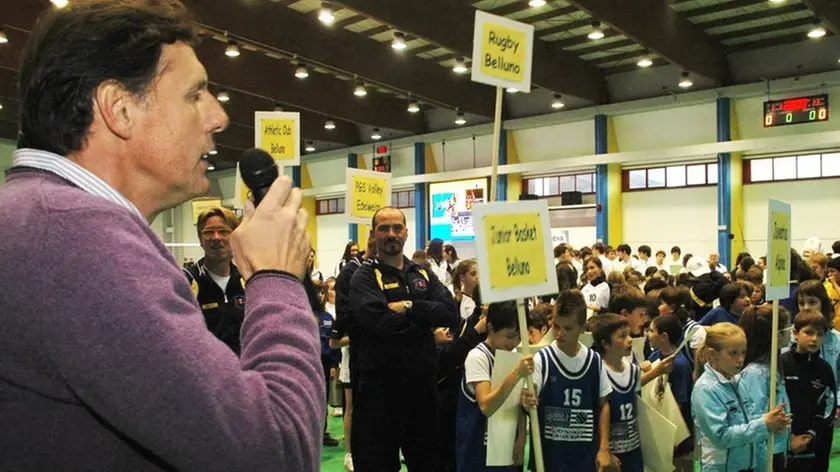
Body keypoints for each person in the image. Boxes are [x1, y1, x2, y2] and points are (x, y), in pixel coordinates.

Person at [0, 2, 323, 470]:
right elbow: (276, 451)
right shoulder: (74, 234)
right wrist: (276, 278)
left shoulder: (36, 217)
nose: (218, 117)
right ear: (120, 109)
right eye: (195, 95)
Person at [349, 207, 459, 471]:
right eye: (383, 228)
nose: (391, 234)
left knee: (428, 464)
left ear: (406, 232)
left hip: (422, 391)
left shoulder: (421, 273)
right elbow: (379, 323)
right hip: (378, 394)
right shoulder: (363, 277)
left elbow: (450, 313)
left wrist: (409, 307)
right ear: (373, 235)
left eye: (397, 228)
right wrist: (424, 323)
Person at [521, 290, 615, 472]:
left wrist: (604, 448)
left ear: (582, 327)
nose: (560, 333)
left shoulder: (594, 361)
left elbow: (604, 405)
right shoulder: (542, 359)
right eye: (556, 326)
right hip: (550, 458)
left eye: (568, 328)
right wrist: (526, 400)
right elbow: (529, 401)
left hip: (584, 457)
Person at [691, 323, 790, 472]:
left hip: (747, 465)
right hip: (720, 467)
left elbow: (748, 420)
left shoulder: (738, 381)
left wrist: (773, 422)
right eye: (733, 353)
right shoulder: (705, 389)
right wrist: (763, 424)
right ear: (712, 355)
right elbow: (721, 436)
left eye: (743, 352)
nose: (740, 359)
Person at [456, 301, 530, 472]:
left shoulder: (513, 356)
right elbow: (487, 406)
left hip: (504, 447)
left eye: (519, 336)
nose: (514, 342)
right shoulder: (477, 357)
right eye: (510, 336)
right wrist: (517, 374)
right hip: (477, 451)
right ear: (491, 328)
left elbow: (515, 403)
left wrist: (521, 437)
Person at [184, 207, 246, 355]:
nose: (216, 237)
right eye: (208, 232)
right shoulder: (185, 282)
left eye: (224, 231)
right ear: (200, 239)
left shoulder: (247, 281)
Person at [782, 310, 837, 472]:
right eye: (808, 332)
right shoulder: (781, 363)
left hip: (812, 441)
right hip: (783, 441)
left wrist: (811, 434)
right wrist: (788, 437)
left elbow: (829, 405)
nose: (814, 339)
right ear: (795, 333)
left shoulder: (824, 368)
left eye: (820, 334)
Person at [738, 305, 792, 472]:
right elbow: (754, 419)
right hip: (765, 454)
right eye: (788, 327)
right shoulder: (756, 373)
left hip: (778, 446)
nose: (792, 331)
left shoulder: (773, 366)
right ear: (777, 334)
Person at [590, 314, 643, 472]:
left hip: (634, 451)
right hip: (610, 455)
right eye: (622, 336)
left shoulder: (634, 370)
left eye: (629, 334)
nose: (630, 339)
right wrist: (605, 451)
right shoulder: (597, 372)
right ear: (606, 343)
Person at [647, 315, 694, 472]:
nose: (648, 334)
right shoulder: (654, 357)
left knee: (679, 465)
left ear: (664, 336)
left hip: (675, 429)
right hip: (659, 423)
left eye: (651, 330)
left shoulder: (679, 365)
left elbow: (679, 404)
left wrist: (673, 436)